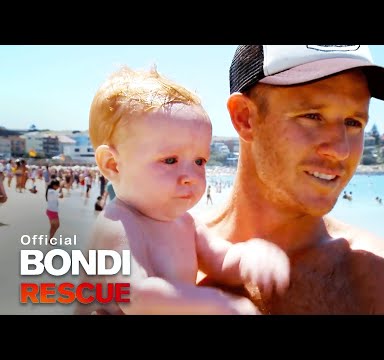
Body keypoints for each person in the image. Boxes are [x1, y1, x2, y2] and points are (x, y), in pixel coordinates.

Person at [196, 45, 384, 314]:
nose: (341, 150)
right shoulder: (154, 255)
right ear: (245, 117)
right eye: (313, 116)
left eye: (354, 122)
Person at [76, 65, 290, 315]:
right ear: (113, 165)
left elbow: (221, 260)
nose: (190, 177)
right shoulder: (118, 225)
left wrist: (250, 257)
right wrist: (214, 303)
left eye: (200, 161)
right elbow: (135, 295)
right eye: (170, 160)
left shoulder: (186, 224)